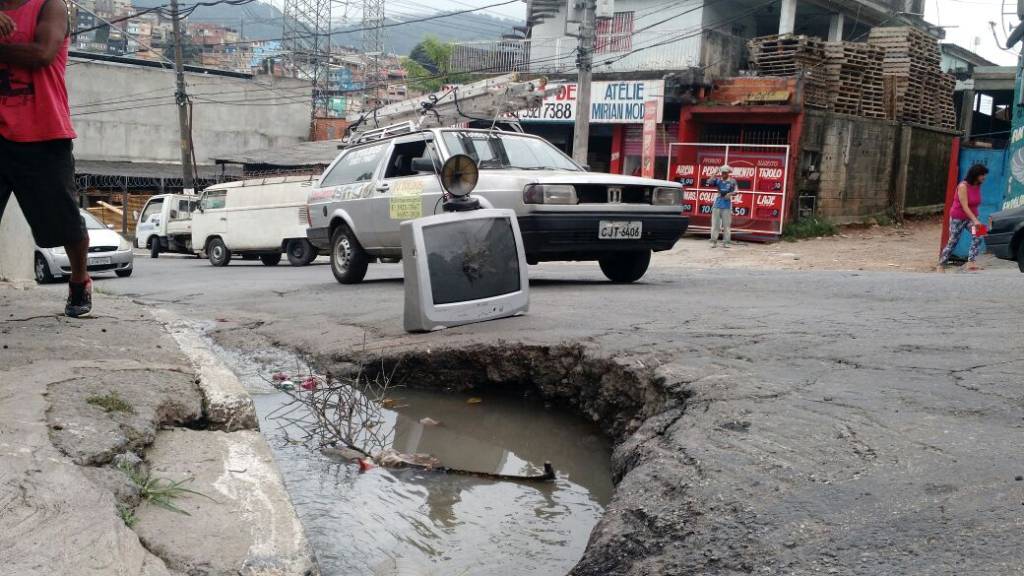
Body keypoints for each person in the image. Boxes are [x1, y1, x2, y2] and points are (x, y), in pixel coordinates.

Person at [0, 0, 91, 316]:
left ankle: (79, 281)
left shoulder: (50, 5)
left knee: (65, 222)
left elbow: (42, 54)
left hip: (42, 133)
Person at [937, 163, 988, 272]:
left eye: (985, 174)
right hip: (958, 217)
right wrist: (975, 220)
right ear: (975, 175)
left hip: (971, 218)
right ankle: (941, 265)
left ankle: (971, 262)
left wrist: (976, 220)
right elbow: (965, 206)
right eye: (982, 175)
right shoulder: (963, 186)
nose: (984, 177)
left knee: (980, 234)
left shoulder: (978, 185)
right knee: (953, 241)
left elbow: (974, 204)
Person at [707, 165, 737, 248]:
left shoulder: (732, 181)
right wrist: (715, 173)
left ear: (728, 173)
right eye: (722, 172)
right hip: (717, 205)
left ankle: (726, 242)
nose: (723, 174)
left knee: (726, 226)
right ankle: (713, 242)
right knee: (715, 225)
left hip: (727, 206)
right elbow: (709, 182)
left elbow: (736, 191)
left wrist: (730, 194)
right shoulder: (718, 180)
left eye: (725, 173)